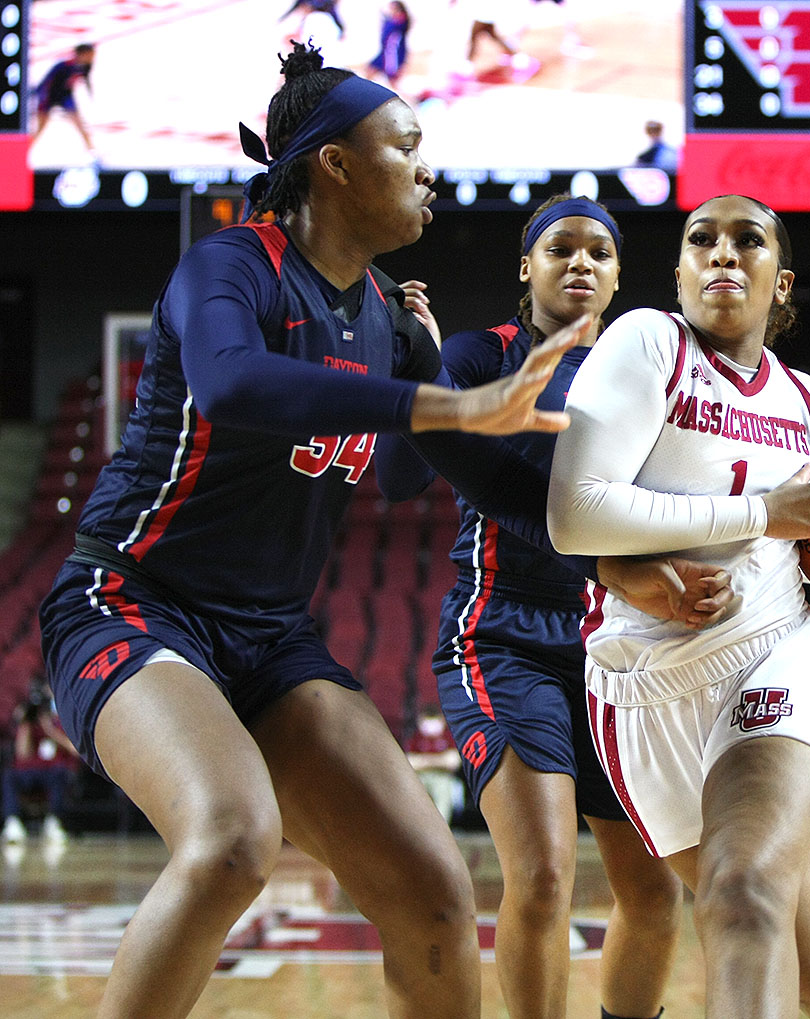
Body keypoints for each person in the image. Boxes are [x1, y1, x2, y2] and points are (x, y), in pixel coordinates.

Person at [38, 44, 730, 1019]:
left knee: (433, 896)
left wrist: (631, 565)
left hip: (270, 639)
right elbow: (233, 383)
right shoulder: (231, 265)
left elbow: (437, 476)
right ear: (335, 161)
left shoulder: (388, 322)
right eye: (406, 143)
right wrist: (441, 402)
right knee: (234, 837)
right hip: (130, 604)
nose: (426, 166)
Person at [548, 194, 810, 1018]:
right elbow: (573, 513)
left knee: (741, 891)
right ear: (681, 270)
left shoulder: (800, 397)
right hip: (641, 691)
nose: (723, 254)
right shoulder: (648, 342)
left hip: (773, 654)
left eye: (748, 241)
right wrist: (759, 517)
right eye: (703, 240)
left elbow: (796, 542)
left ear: (782, 279)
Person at [383, 195, 688, 1019]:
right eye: (561, 248)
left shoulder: (661, 369)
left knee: (656, 890)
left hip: (622, 644)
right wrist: (421, 372)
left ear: (621, 274)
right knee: (546, 874)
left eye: (599, 251)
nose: (580, 262)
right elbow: (399, 477)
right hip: (505, 632)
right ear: (528, 266)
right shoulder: (483, 353)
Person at [2, 682, 80, 845]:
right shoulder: (28, 724)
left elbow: (74, 750)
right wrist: (25, 724)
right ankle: (13, 822)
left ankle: (54, 821)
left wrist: (50, 730)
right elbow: (23, 754)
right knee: (9, 776)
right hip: (30, 771)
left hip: (54, 770)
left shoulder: (61, 721)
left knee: (59, 774)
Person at [31, 43, 97, 159]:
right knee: (41, 127)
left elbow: (85, 78)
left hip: (66, 96)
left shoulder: (86, 66)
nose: (93, 57)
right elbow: (46, 82)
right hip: (49, 96)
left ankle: (91, 151)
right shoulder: (64, 65)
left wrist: (90, 93)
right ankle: (25, 148)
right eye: (91, 54)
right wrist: (40, 98)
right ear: (83, 54)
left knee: (79, 123)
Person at [367, 2, 413, 88]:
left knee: (393, 80)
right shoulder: (391, 20)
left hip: (392, 54)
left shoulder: (400, 21)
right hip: (384, 52)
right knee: (370, 71)